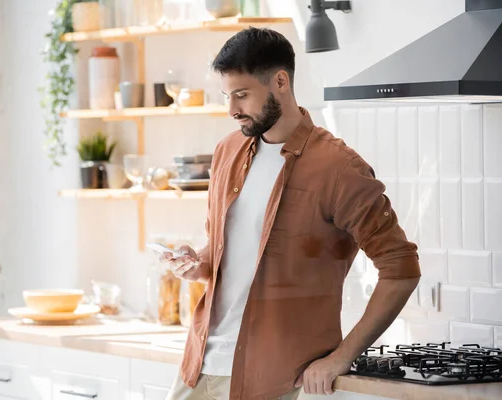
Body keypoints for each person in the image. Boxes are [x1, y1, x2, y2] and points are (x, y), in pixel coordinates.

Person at [161, 27, 421, 400]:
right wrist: (198, 262)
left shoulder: (338, 168)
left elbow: (401, 268)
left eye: (241, 94)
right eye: (227, 95)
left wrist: (342, 357)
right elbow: (229, 253)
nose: (231, 110)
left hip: (275, 378)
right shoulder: (227, 152)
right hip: (200, 366)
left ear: (280, 81)